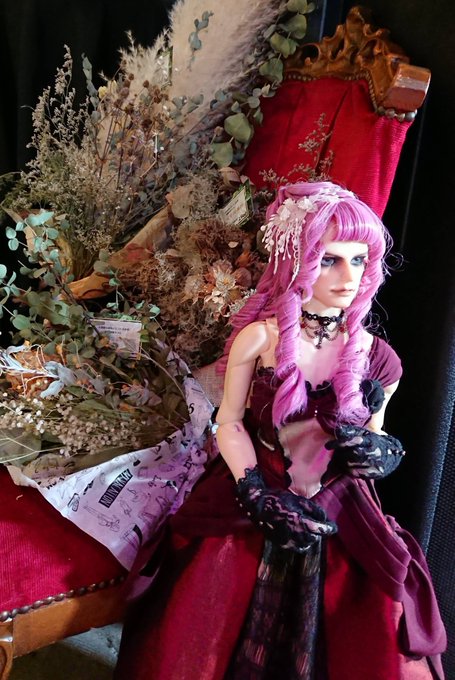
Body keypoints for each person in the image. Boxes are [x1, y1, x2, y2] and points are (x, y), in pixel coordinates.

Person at [114, 181, 446, 680]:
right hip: (256, 493)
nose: (349, 277)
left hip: (340, 509)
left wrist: (379, 451)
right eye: (330, 260)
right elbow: (228, 422)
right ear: (297, 260)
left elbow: (377, 434)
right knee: (199, 626)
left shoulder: (380, 359)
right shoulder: (258, 338)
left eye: (359, 261)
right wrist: (253, 491)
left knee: (368, 628)